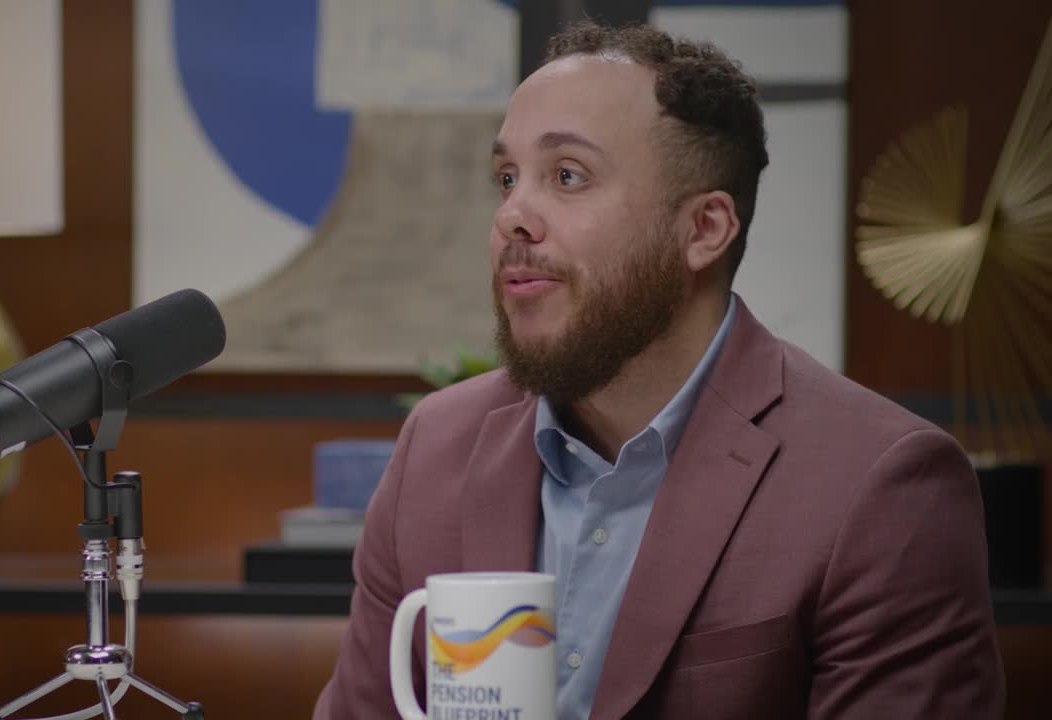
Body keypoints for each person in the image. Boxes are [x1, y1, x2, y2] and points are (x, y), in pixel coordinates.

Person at [313, 21, 1004, 720]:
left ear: (704, 229)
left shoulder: (881, 484)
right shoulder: (438, 446)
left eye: (568, 176)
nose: (513, 216)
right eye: (506, 179)